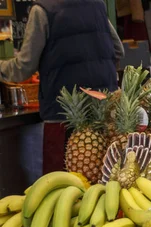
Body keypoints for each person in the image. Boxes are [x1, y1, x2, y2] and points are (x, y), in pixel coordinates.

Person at [0, 0, 124, 174]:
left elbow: (23, 68)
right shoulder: (97, 5)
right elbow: (118, 50)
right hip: (103, 116)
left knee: (62, 190)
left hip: (63, 120)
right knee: (103, 183)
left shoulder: (42, 10)